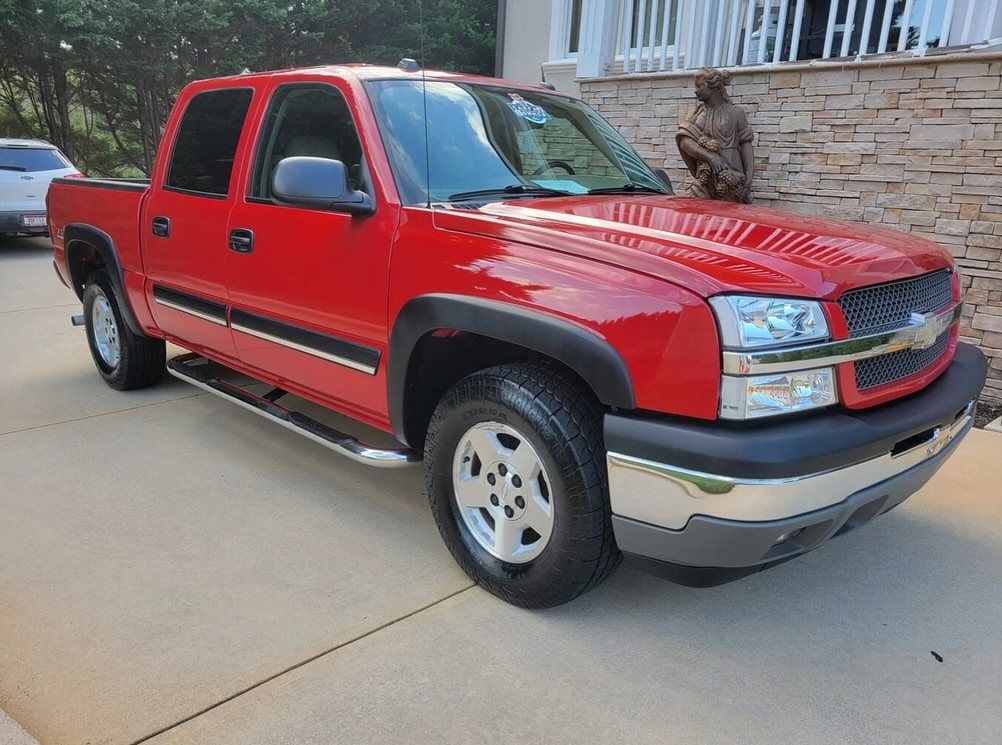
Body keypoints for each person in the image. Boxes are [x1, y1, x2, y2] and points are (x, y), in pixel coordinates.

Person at [675, 67, 755, 203]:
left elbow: (745, 145)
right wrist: (710, 157)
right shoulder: (695, 114)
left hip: (730, 174)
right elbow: (684, 142)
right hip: (705, 177)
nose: (696, 90)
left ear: (713, 87)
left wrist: (748, 177)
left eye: (699, 86)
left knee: (729, 215)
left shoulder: (736, 113)